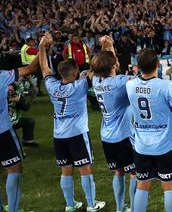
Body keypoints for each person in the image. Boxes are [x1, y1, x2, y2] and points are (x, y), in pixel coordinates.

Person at [39, 32, 106, 211]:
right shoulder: (80, 85)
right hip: (77, 133)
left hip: (59, 135)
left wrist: (42, 47)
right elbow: (97, 68)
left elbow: (44, 68)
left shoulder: (52, 85)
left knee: (66, 171)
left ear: (60, 72)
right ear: (75, 72)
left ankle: (70, 204)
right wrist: (105, 45)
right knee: (85, 169)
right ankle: (91, 205)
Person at [126, 48, 172, 212]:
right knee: (169, 186)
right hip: (165, 145)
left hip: (141, 145)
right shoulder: (166, 86)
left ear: (138, 66)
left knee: (142, 185)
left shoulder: (130, 85)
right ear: (158, 64)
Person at [91, 35, 137, 212]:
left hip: (107, 136)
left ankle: (120, 208)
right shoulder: (120, 82)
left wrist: (107, 46)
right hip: (124, 135)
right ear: (113, 66)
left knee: (118, 172)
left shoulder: (96, 80)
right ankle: (134, 208)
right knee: (135, 174)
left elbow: (105, 64)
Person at [0, 53, 39, 212]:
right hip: (2, 132)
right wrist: (42, 46)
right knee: (15, 169)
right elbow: (31, 68)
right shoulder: (2, 76)